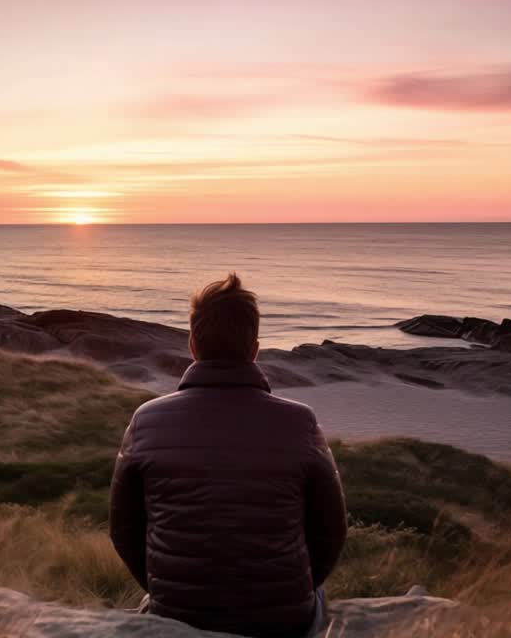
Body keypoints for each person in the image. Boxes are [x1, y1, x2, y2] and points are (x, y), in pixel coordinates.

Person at [109, 273, 348, 638]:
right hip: (285, 621)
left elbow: (124, 530)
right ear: (254, 349)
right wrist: (295, 588)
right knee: (321, 601)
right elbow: (331, 531)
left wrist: (163, 589)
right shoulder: (300, 421)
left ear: (192, 344)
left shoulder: (147, 419)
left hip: (177, 615)